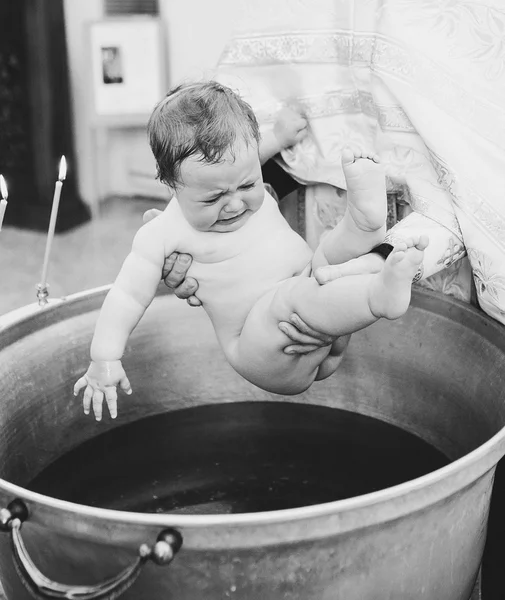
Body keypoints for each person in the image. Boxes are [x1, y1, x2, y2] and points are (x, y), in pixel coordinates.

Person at [74, 81, 428, 421]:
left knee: (330, 256)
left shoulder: (234, 169)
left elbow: (248, 156)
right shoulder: (161, 233)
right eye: (213, 199)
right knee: (295, 296)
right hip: (259, 343)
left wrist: (281, 137)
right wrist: (104, 357)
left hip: (314, 298)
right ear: (171, 185)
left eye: (248, 184)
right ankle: (378, 295)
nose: (233, 204)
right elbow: (127, 295)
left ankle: (363, 224)